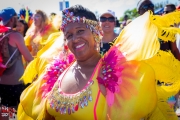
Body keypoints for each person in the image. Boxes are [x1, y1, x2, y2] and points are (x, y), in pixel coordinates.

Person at [17, 5, 180, 120]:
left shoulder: (113, 75)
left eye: (81, 31)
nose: (75, 39)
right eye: (69, 35)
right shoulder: (57, 71)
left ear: (96, 33)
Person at [0, 7, 33, 118]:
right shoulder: (16, 36)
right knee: (18, 112)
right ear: (12, 19)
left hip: (2, 81)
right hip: (16, 81)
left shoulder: (1, 34)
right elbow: (29, 58)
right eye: (16, 17)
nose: (17, 20)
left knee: (5, 110)